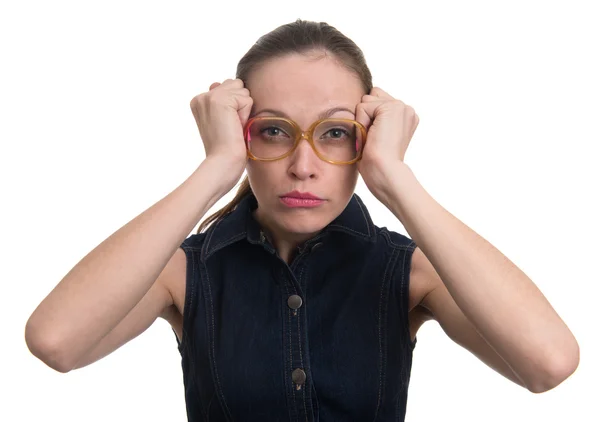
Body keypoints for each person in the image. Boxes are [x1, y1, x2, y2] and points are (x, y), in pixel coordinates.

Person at [25, 19, 579, 422]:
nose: (303, 167)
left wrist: (395, 177)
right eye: (273, 130)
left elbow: (549, 364)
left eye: (335, 133)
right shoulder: (185, 271)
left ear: (365, 142)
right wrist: (216, 167)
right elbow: (55, 343)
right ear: (241, 134)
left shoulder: (408, 273)